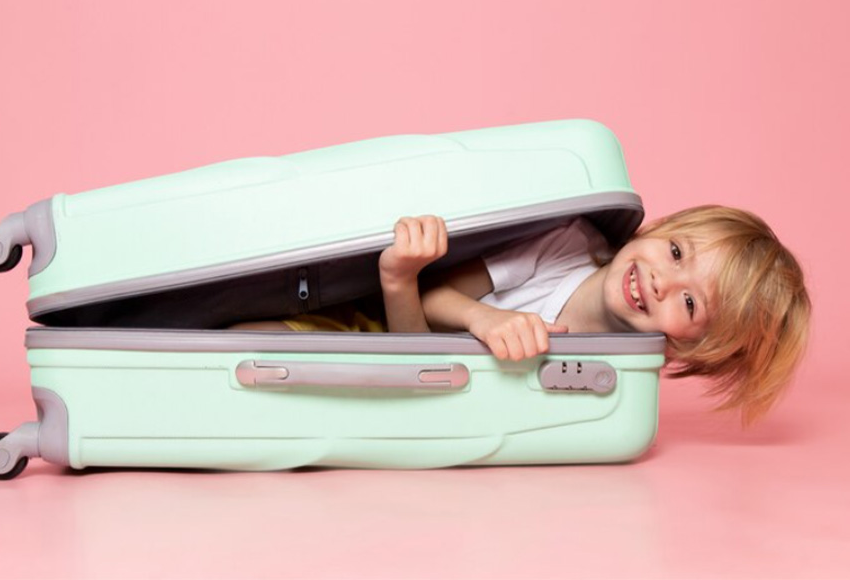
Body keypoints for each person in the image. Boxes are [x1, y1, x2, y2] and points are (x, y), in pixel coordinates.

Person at [232, 206, 810, 426]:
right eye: (676, 252)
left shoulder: (615, 385)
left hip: (423, 404)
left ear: (691, 350)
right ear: (656, 229)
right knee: (237, 347)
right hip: (375, 325)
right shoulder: (565, 247)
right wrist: (485, 322)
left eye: (690, 303)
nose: (663, 279)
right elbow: (434, 299)